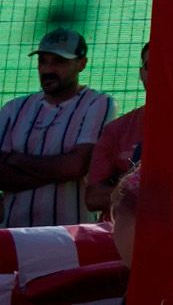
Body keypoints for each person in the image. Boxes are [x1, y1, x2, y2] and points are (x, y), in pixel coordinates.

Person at [0, 31, 113, 229]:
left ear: (82, 64)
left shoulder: (97, 102)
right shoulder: (14, 108)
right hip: (15, 232)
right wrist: (60, 169)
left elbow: (77, 166)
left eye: (58, 62)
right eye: (43, 61)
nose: (47, 69)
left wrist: (14, 159)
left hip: (70, 236)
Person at [80, 43, 142, 217]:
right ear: (142, 73)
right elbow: (93, 197)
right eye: (150, 65)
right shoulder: (118, 129)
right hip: (119, 230)